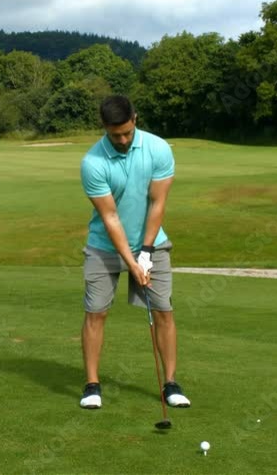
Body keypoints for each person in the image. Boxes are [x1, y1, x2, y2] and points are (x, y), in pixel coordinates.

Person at [77, 95, 190, 410]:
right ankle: (92, 385)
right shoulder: (92, 163)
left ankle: (170, 384)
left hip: (152, 243)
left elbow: (158, 202)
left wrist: (146, 252)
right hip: (104, 246)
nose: (123, 140)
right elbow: (111, 218)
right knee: (96, 312)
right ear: (104, 127)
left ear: (135, 119)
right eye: (116, 135)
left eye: (127, 132)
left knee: (163, 311)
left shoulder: (158, 148)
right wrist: (131, 260)